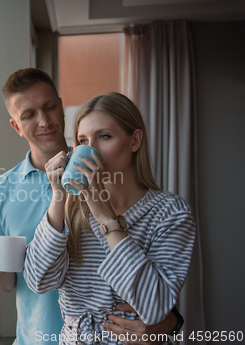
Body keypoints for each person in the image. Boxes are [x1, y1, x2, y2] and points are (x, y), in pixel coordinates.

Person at [0, 68, 182, 345]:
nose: (44, 121)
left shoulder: (139, 198)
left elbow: (153, 298)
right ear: (16, 126)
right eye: (29, 114)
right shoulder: (2, 191)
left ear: (61, 107)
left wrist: (170, 322)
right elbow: (19, 280)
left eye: (49, 107)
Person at [23, 92, 196, 344]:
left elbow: (154, 306)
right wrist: (58, 197)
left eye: (104, 136)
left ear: (135, 141)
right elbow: (39, 281)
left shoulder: (170, 212)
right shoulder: (71, 210)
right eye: (82, 140)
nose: (90, 149)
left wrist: (107, 219)